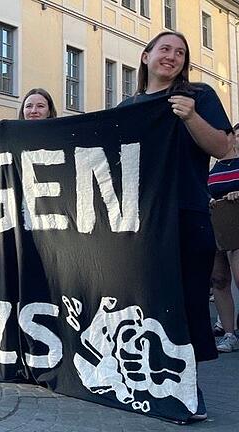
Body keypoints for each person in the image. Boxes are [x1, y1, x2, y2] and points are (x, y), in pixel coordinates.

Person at [118, 31, 234, 422]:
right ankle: (146, 382)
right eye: (164, 49)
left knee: (186, 303)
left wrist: (190, 117)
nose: (172, 56)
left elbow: (221, 147)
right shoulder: (128, 106)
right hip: (140, 221)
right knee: (143, 302)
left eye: (180, 53)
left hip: (187, 215)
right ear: (146, 55)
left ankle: (186, 391)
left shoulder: (199, 96)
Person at [208, 124, 239, 353]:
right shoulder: (217, 164)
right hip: (217, 223)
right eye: (235, 135)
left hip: (237, 222)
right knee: (219, 278)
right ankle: (229, 333)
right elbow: (207, 187)